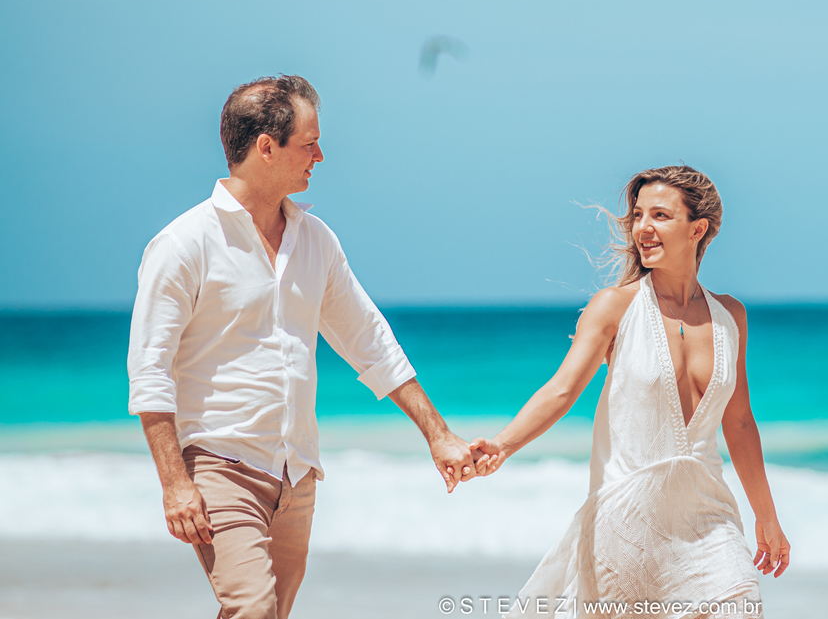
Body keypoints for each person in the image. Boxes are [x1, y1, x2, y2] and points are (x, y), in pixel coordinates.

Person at [127, 75, 477, 619]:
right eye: (309, 142)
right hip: (220, 464)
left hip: (296, 472)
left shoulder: (316, 241)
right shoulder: (183, 244)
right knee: (253, 608)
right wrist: (175, 484)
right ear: (266, 147)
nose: (320, 155)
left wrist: (438, 435)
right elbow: (150, 371)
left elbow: (369, 340)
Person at [470, 165, 789, 618]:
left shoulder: (730, 316)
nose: (643, 228)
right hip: (626, 523)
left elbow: (738, 423)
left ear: (697, 229)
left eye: (660, 215)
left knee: (740, 605)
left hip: (708, 516)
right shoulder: (613, 307)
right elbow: (562, 389)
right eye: (638, 215)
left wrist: (767, 517)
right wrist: (501, 445)